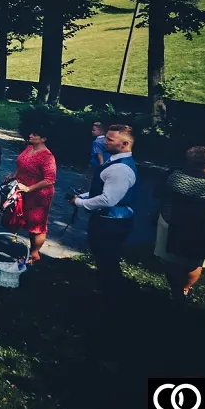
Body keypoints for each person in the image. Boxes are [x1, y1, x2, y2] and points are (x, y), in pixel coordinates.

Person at [70, 124, 138, 294]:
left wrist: (80, 203)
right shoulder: (115, 161)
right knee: (104, 257)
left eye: (109, 139)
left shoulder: (120, 169)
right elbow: (105, 190)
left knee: (107, 259)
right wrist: (85, 195)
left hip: (111, 222)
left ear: (125, 144)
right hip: (110, 220)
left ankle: (109, 295)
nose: (104, 142)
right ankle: (106, 289)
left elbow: (108, 199)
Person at [154, 146, 205, 302]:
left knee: (171, 261)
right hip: (203, 228)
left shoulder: (174, 178)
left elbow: (159, 195)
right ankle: (186, 289)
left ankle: (176, 292)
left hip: (173, 223)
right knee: (196, 262)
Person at [5, 125, 57, 264]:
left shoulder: (47, 156)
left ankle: (34, 254)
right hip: (22, 188)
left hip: (39, 194)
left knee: (36, 225)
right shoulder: (29, 148)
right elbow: (21, 165)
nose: (31, 136)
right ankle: (13, 244)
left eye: (35, 135)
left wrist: (29, 188)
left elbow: (49, 179)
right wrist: (13, 177)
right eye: (31, 133)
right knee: (18, 216)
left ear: (44, 139)